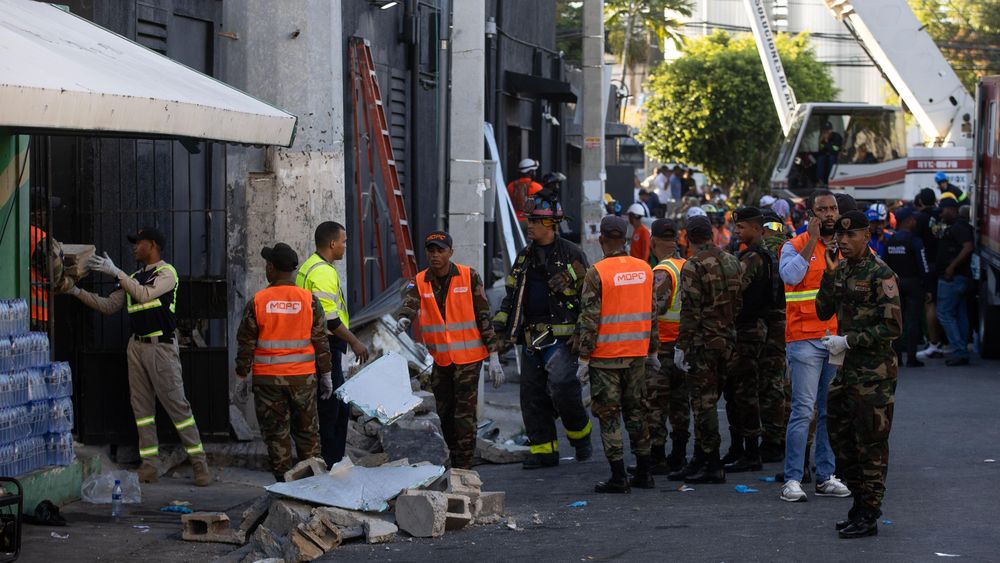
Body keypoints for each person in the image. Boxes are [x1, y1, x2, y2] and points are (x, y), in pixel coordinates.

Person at [70, 228, 211, 486]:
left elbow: (144, 294)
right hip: (136, 347)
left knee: (178, 407)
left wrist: (116, 273)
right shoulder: (133, 277)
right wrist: (75, 291)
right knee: (142, 410)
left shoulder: (167, 273)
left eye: (139, 243)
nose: (134, 247)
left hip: (161, 348)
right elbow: (109, 306)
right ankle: (149, 466)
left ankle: (200, 465)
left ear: (153, 245)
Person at [816, 210, 902, 539]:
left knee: (872, 444)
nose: (844, 241)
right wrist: (828, 275)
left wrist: (849, 340)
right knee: (841, 437)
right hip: (847, 373)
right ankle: (858, 502)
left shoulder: (881, 273)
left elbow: (893, 327)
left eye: (851, 236)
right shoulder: (842, 271)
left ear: (867, 236)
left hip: (875, 375)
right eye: (840, 236)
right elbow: (822, 310)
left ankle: (869, 511)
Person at [493, 190, 593, 468]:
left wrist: (583, 336)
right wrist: (500, 327)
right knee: (532, 395)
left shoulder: (572, 255)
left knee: (563, 387)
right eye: (530, 220)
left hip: (562, 339)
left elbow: (590, 298)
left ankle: (581, 437)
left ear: (551, 225)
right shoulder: (524, 257)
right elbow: (511, 295)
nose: (530, 225)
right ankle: (544, 452)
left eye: (535, 221)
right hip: (531, 336)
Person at [396, 231, 502, 469]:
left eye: (440, 250)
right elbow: (411, 303)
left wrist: (493, 355)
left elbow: (484, 316)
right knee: (445, 412)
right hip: (441, 359)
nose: (435, 255)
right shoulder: (421, 280)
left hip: (468, 359)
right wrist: (404, 319)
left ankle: (464, 467)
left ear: (450, 253)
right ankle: (453, 461)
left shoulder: (468, 276)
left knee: (464, 415)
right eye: (431, 250)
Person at [777, 190, 851, 502]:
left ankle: (825, 476)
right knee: (803, 411)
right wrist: (812, 241)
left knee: (829, 412)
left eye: (833, 208)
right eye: (822, 209)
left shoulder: (846, 247)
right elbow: (790, 277)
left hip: (834, 340)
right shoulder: (793, 246)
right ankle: (793, 479)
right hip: (804, 339)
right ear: (811, 214)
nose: (830, 214)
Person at [235, 243, 330, 481]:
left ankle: (284, 489)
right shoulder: (309, 300)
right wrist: (326, 374)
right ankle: (313, 488)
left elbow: (246, 343)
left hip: (268, 382)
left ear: (271, 268)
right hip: (303, 380)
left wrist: (240, 376)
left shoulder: (259, 301)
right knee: (308, 435)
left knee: (277, 437)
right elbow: (321, 341)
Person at [577, 215, 658, 493]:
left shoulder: (597, 272)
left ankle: (618, 477)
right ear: (624, 239)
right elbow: (652, 313)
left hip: (605, 358)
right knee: (637, 413)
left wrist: (583, 358)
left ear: (601, 240)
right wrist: (654, 351)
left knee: (609, 415)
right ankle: (645, 473)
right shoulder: (645, 269)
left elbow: (589, 319)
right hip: (637, 355)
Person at [668, 215, 741, 485]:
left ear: (688, 237)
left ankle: (710, 462)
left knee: (703, 403)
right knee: (711, 400)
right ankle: (700, 458)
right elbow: (739, 301)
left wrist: (682, 345)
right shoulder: (732, 260)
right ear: (710, 234)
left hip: (703, 344)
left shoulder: (693, 265)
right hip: (728, 340)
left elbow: (691, 310)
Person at [295, 222, 370, 467]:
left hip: (318, 346)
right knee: (333, 409)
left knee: (332, 406)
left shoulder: (311, 266)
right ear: (332, 243)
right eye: (344, 242)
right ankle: (331, 463)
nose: (345, 246)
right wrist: (356, 342)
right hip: (325, 346)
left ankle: (326, 459)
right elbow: (331, 319)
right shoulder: (323, 272)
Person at [723, 207, 779, 473]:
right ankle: (741, 449)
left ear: (757, 229)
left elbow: (734, 290)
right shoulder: (762, 254)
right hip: (754, 328)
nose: (737, 231)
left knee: (744, 392)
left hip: (748, 330)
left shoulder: (754, 257)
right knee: (741, 390)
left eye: (742, 227)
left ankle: (750, 452)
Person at [640, 218, 690, 474]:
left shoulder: (663, 271)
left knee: (655, 405)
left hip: (664, 348)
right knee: (681, 405)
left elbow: (653, 310)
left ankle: (657, 458)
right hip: (685, 348)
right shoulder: (687, 265)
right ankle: (679, 455)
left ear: (654, 241)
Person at [881, 206, 930, 367]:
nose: (915, 221)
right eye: (913, 219)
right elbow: (923, 265)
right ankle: (911, 357)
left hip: (894, 284)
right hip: (913, 284)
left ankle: (897, 358)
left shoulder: (890, 241)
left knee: (896, 321)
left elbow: (884, 265)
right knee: (912, 320)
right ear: (908, 221)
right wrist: (927, 286)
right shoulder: (915, 241)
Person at [758, 210, 790, 461]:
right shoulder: (792, 245)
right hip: (793, 321)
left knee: (771, 383)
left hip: (770, 322)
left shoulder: (763, 250)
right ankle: (787, 437)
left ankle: (773, 439)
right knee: (788, 383)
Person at [935, 197, 974, 366]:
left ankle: (959, 350)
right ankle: (962, 349)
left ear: (952, 209)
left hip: (953, 277)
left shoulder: (959, 227)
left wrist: (951, 267)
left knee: (944, 313)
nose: (941, 214)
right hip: (958, 277)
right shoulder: (958, 226)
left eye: (943, 210)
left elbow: (967, 247)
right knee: (959, 314)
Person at [913, 188, 946, 359]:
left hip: (928, 264)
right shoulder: (941, 215)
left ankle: (934, 343)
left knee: (929, 303)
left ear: (920, 201)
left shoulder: (921, 218)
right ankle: (938, 341)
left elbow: (916, 243)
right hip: (943, 264)